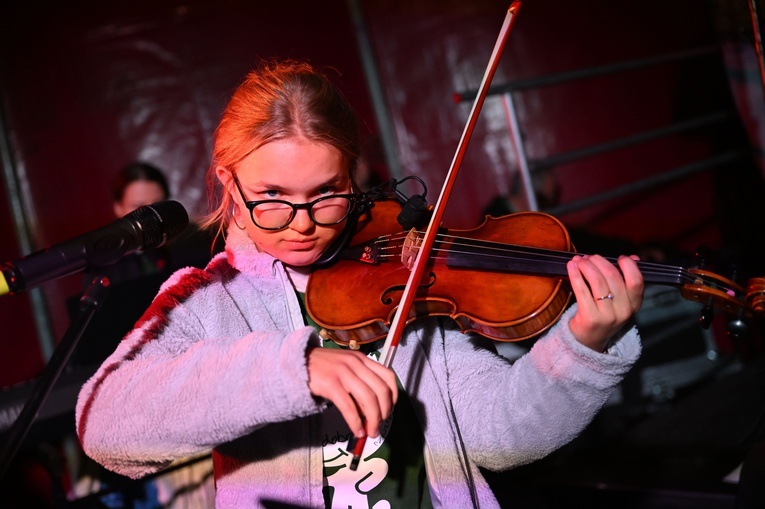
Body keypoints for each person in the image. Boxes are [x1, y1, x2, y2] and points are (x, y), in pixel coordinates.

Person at [75, 59, 645, 508]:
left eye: (326, 193)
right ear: (230, 180)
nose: (303, 222)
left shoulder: (406, 276)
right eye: (272, 197)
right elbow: (105, 424)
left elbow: (500, 433)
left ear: (354, 174)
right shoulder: (204, 299)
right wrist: (289, 368)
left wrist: (582, 351)